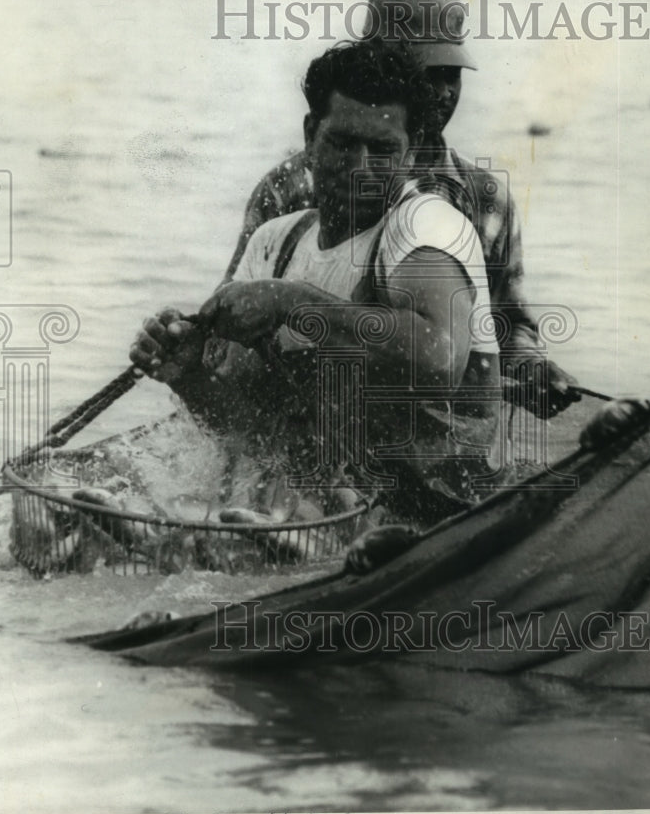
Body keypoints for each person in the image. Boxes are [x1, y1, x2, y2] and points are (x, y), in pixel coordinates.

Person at [131, 39, 503, 526]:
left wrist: (293, 302)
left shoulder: (429, 225)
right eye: (344, 143)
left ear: (410, 154)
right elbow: (248, 430)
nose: (361, 168)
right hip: (331, 506)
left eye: (383, 150)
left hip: (441, 509)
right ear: (311, 134)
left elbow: (438, 359)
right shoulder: (274, 243)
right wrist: (188, 377)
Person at [222, 0, 578, 419]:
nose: (442, 92)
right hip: (302, 409)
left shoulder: (486, 198)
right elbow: (239, 309)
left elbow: (510, 324)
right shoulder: (290, 189)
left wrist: (533, 368)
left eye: (451, 75)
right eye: (426, 74)